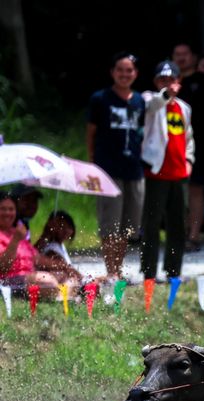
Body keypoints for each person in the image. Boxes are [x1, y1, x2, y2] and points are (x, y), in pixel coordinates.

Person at [87, 52, 145, 280]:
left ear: (136, 73)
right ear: (112, 72)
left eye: (129, 70)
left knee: (128, 227)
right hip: (108, 170)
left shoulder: (140, 101)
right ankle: (111, 271)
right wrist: (93, 163)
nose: (124, 74)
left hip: (134, 170)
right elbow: (90, 133)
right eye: (120, 69)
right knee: (110, 224)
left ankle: (117, 271)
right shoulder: (100, 99)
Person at [140, 60, 194, 283]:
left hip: (179, 173)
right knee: (151, 225)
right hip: (156, 173)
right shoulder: (149, 99)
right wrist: (164, 94)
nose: (168, 83)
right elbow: (151, 106)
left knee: (178, 225)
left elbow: (189, 137)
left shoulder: (184, 107)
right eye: (163, 79)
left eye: (172, 79)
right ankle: (149, 272)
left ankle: (174, 271)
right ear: (156, 82)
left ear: (178, 81)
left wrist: (189, 160)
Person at [173, 42, 204, 251]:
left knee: (195, 189)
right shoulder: (169, 84)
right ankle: (178, 233)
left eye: (185, 54)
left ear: (193, 57)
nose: (181, 58)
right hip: (171, 145)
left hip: (199, 144)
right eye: (177, 54)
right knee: (175, 191)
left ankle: (194, 236)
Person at [0, 192, 65, 291]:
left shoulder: (18, 232)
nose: (7, 213)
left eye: (11, 209)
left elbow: (37, 258)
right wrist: (15, 240)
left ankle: (67, 298)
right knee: (47, 281)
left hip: (28, 277)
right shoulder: (17, 235)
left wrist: (65, 267)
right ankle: (64, 297)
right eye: (3, 209)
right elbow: (3, 267)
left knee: (63, 275)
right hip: (8, 282)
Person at [34, 210, 85, 284]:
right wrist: (84, 280)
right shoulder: (52, 248)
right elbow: (65, 268)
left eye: (68, 226)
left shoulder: (60, 245)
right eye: (61, 226)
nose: (65, 230)